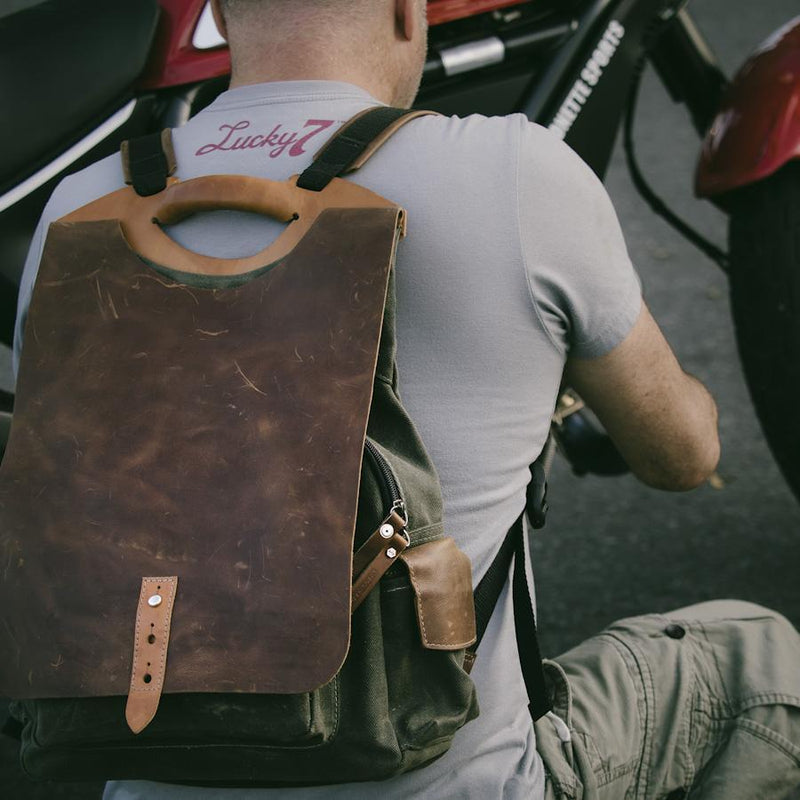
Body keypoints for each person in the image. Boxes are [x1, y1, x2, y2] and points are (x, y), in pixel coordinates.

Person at [13, 1, 800, 798]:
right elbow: (684, 457)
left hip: (133, 766)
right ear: (405, 8)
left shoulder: (78, 208)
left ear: (216, 8)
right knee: (767, 665)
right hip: (459, 783)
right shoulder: (516, 171)